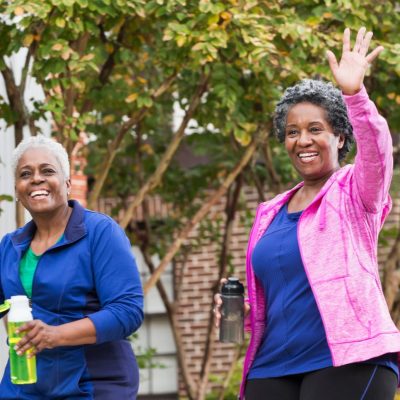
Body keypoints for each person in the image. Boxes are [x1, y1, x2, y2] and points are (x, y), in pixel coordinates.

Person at [214, 27, 400, 400]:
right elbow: (283, 295)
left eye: (316, 129)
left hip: (348, 358)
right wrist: (246, 315)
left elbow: (378, 152)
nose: (303, 140)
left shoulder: (355, 191)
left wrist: (354, 95)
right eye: (292, 131)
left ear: (340, 138)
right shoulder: (270, 212)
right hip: (272, 363)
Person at [0, 135, 144, 399]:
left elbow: (128, 311)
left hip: (93, 384)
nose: (36, 179)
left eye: (47, 171)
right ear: (18, 190)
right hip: (25, 386)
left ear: (67, 184)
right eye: (25, 174)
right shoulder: (9, 247)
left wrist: (55, 335)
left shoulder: (100, 233)